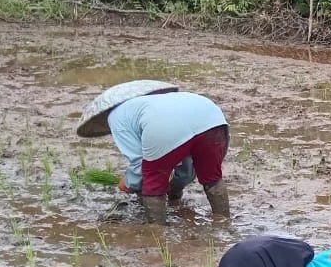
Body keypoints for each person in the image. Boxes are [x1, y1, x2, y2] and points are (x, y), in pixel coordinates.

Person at [75, 80, 230, 224]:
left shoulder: (116, 116)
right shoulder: (155, 102)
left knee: (153, 179)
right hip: (213, 117)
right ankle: (223, 223)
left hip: (164, 127)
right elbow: (186, 164)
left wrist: (129, 182)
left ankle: (157, 234)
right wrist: (176, 188)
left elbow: (139, 163)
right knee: (212, 178)